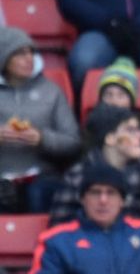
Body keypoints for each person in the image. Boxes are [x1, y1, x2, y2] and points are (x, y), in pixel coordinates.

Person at [0, 26, 81, 213]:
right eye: (20, 53)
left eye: (31, 52)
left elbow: (73, 142)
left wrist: (42, 139)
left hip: (41, 176)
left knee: (41, 193)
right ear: (4, 57)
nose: (29, 58)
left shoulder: (51, 92)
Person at [50, 104, 140, 225]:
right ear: (110, 138)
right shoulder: (78, 175)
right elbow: (59, 227)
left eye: (138, 129)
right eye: (131, 130)